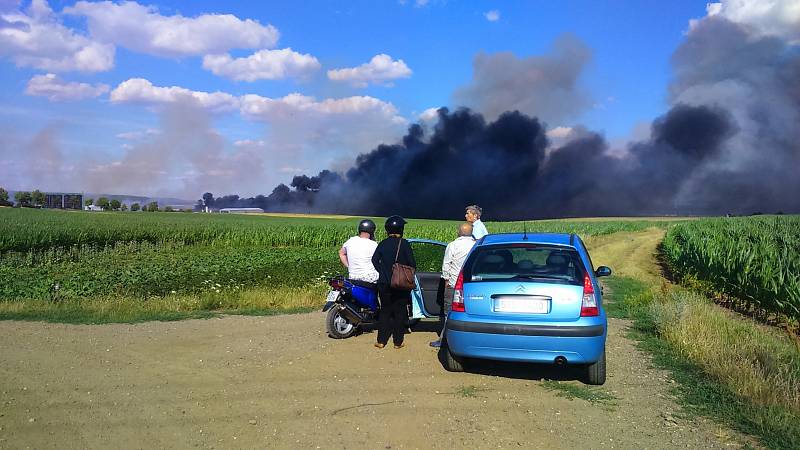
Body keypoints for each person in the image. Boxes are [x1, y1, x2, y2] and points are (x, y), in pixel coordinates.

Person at [371, 215, 416, 349]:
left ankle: (381, 341)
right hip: (400, 284)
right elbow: (412, 264)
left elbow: (374, 260)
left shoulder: (383, 243)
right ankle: (397, 342)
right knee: (400, 311)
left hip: (384, 283)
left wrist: (383, 271)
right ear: (401, 229)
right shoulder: (405, 244)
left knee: (385, 311)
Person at [430, 222, 475, 348]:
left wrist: (446, 281)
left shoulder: (453, 245)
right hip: (472, 285)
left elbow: (446, 265)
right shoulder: (476, 245)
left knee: (448, 312)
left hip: (454, 284)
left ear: (459, 232)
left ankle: (444, 339)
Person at [338, 219, 379, 284]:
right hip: (369, 278)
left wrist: (349, 266)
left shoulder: (350, 241)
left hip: (353, 277)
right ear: (372, 231)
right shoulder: (374, 244)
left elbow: (341, 253)